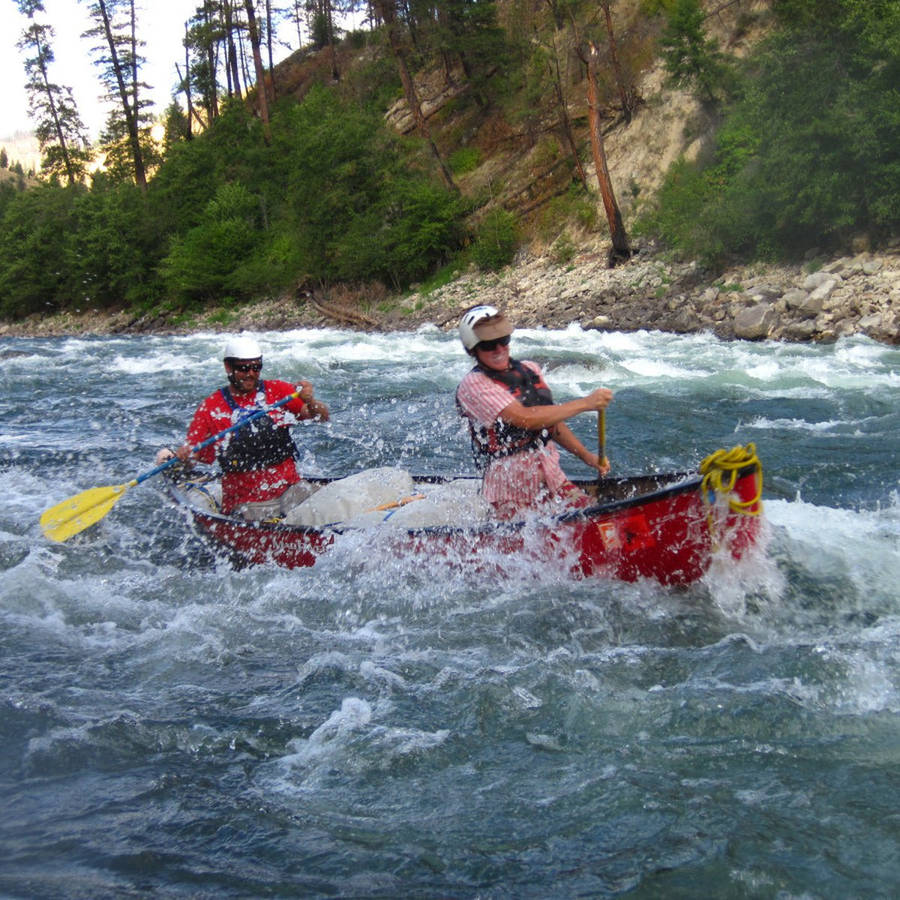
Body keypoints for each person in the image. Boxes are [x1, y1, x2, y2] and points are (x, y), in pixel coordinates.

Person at [455, 305, 613, 520]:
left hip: (551, 477)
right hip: (509, 490)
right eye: (489, 344)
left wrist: (587, 457)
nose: (499, 349)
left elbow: (550, 422)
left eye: (504, 340)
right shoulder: (473, 385)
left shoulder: (530, 369)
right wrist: (586, 403)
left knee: (591, 513)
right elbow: (525, 419)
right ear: (473, 348)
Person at [157, 336, 330, 520]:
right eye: (243, 368)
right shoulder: (211, 408)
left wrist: (310, 401)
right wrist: (184, 457)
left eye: (256, 367)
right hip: (248, 504)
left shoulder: (278, 390)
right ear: (228, 367)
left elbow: (322, 417)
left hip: (293, 491)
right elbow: (194, 458)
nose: (251, 373)